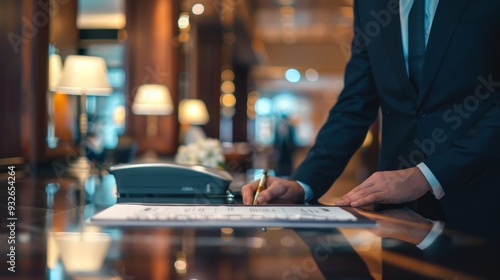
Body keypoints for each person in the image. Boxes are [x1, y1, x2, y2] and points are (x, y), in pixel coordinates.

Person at [243, 0, 500, 237]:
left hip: (483, 197)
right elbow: (354, 105)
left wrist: (428, 174)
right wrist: (302, 182)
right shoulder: (369, 5)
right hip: (399, 211)